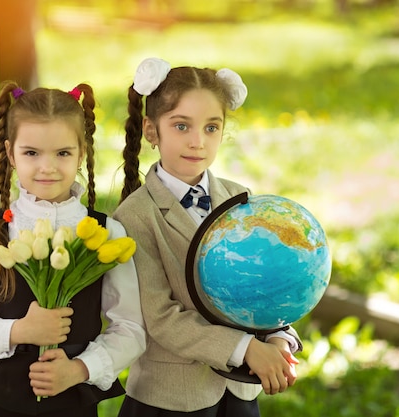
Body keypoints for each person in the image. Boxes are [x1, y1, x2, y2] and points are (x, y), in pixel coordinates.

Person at [113, 57, 303, 417]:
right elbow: (160, 317)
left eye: (211, 128)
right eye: (182, 126)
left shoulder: (238, 198)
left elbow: (260, 283)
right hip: (171, 398)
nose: (198, 142)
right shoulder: (135, 216)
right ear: (152, 131)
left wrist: (277, 337)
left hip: (240, 394)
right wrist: (245, 348)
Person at [0, 81, 146, 417]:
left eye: (63, 153)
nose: (47, 167)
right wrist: (19, 330)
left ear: (82, 153)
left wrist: (80, 369)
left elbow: (130, 329)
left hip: (70, 399)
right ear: (10, 153)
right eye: (31, 153)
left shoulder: (106, 233)